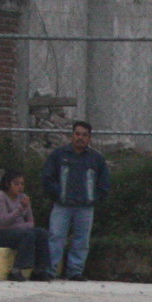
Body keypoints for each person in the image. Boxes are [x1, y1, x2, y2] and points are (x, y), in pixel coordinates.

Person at [42, 120, 110, 281]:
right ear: (72, 135)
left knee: (82, 240)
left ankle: (75, 271)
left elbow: (104, 182)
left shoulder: (96, 158)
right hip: (62, 206)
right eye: (77, 134)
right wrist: (57, 194)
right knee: (56, 237)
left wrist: (96, 197)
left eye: (84, 135)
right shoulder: (58, 155)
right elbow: (47, 177)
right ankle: (50, 270)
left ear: (90, 138)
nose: (80, 138)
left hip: (85, 208)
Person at [0, 170, 49, 281]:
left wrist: (23, 226)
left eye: (22, 184)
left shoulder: (23, 197)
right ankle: (16, 270)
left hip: (20, 231)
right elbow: (4, 221)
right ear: (7, 184)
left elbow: (31, 222)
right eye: (16, 184)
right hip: (0, 234)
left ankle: (39, 270)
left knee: (42, 233)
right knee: (27, 235)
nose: (20, 187)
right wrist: (20, 208)